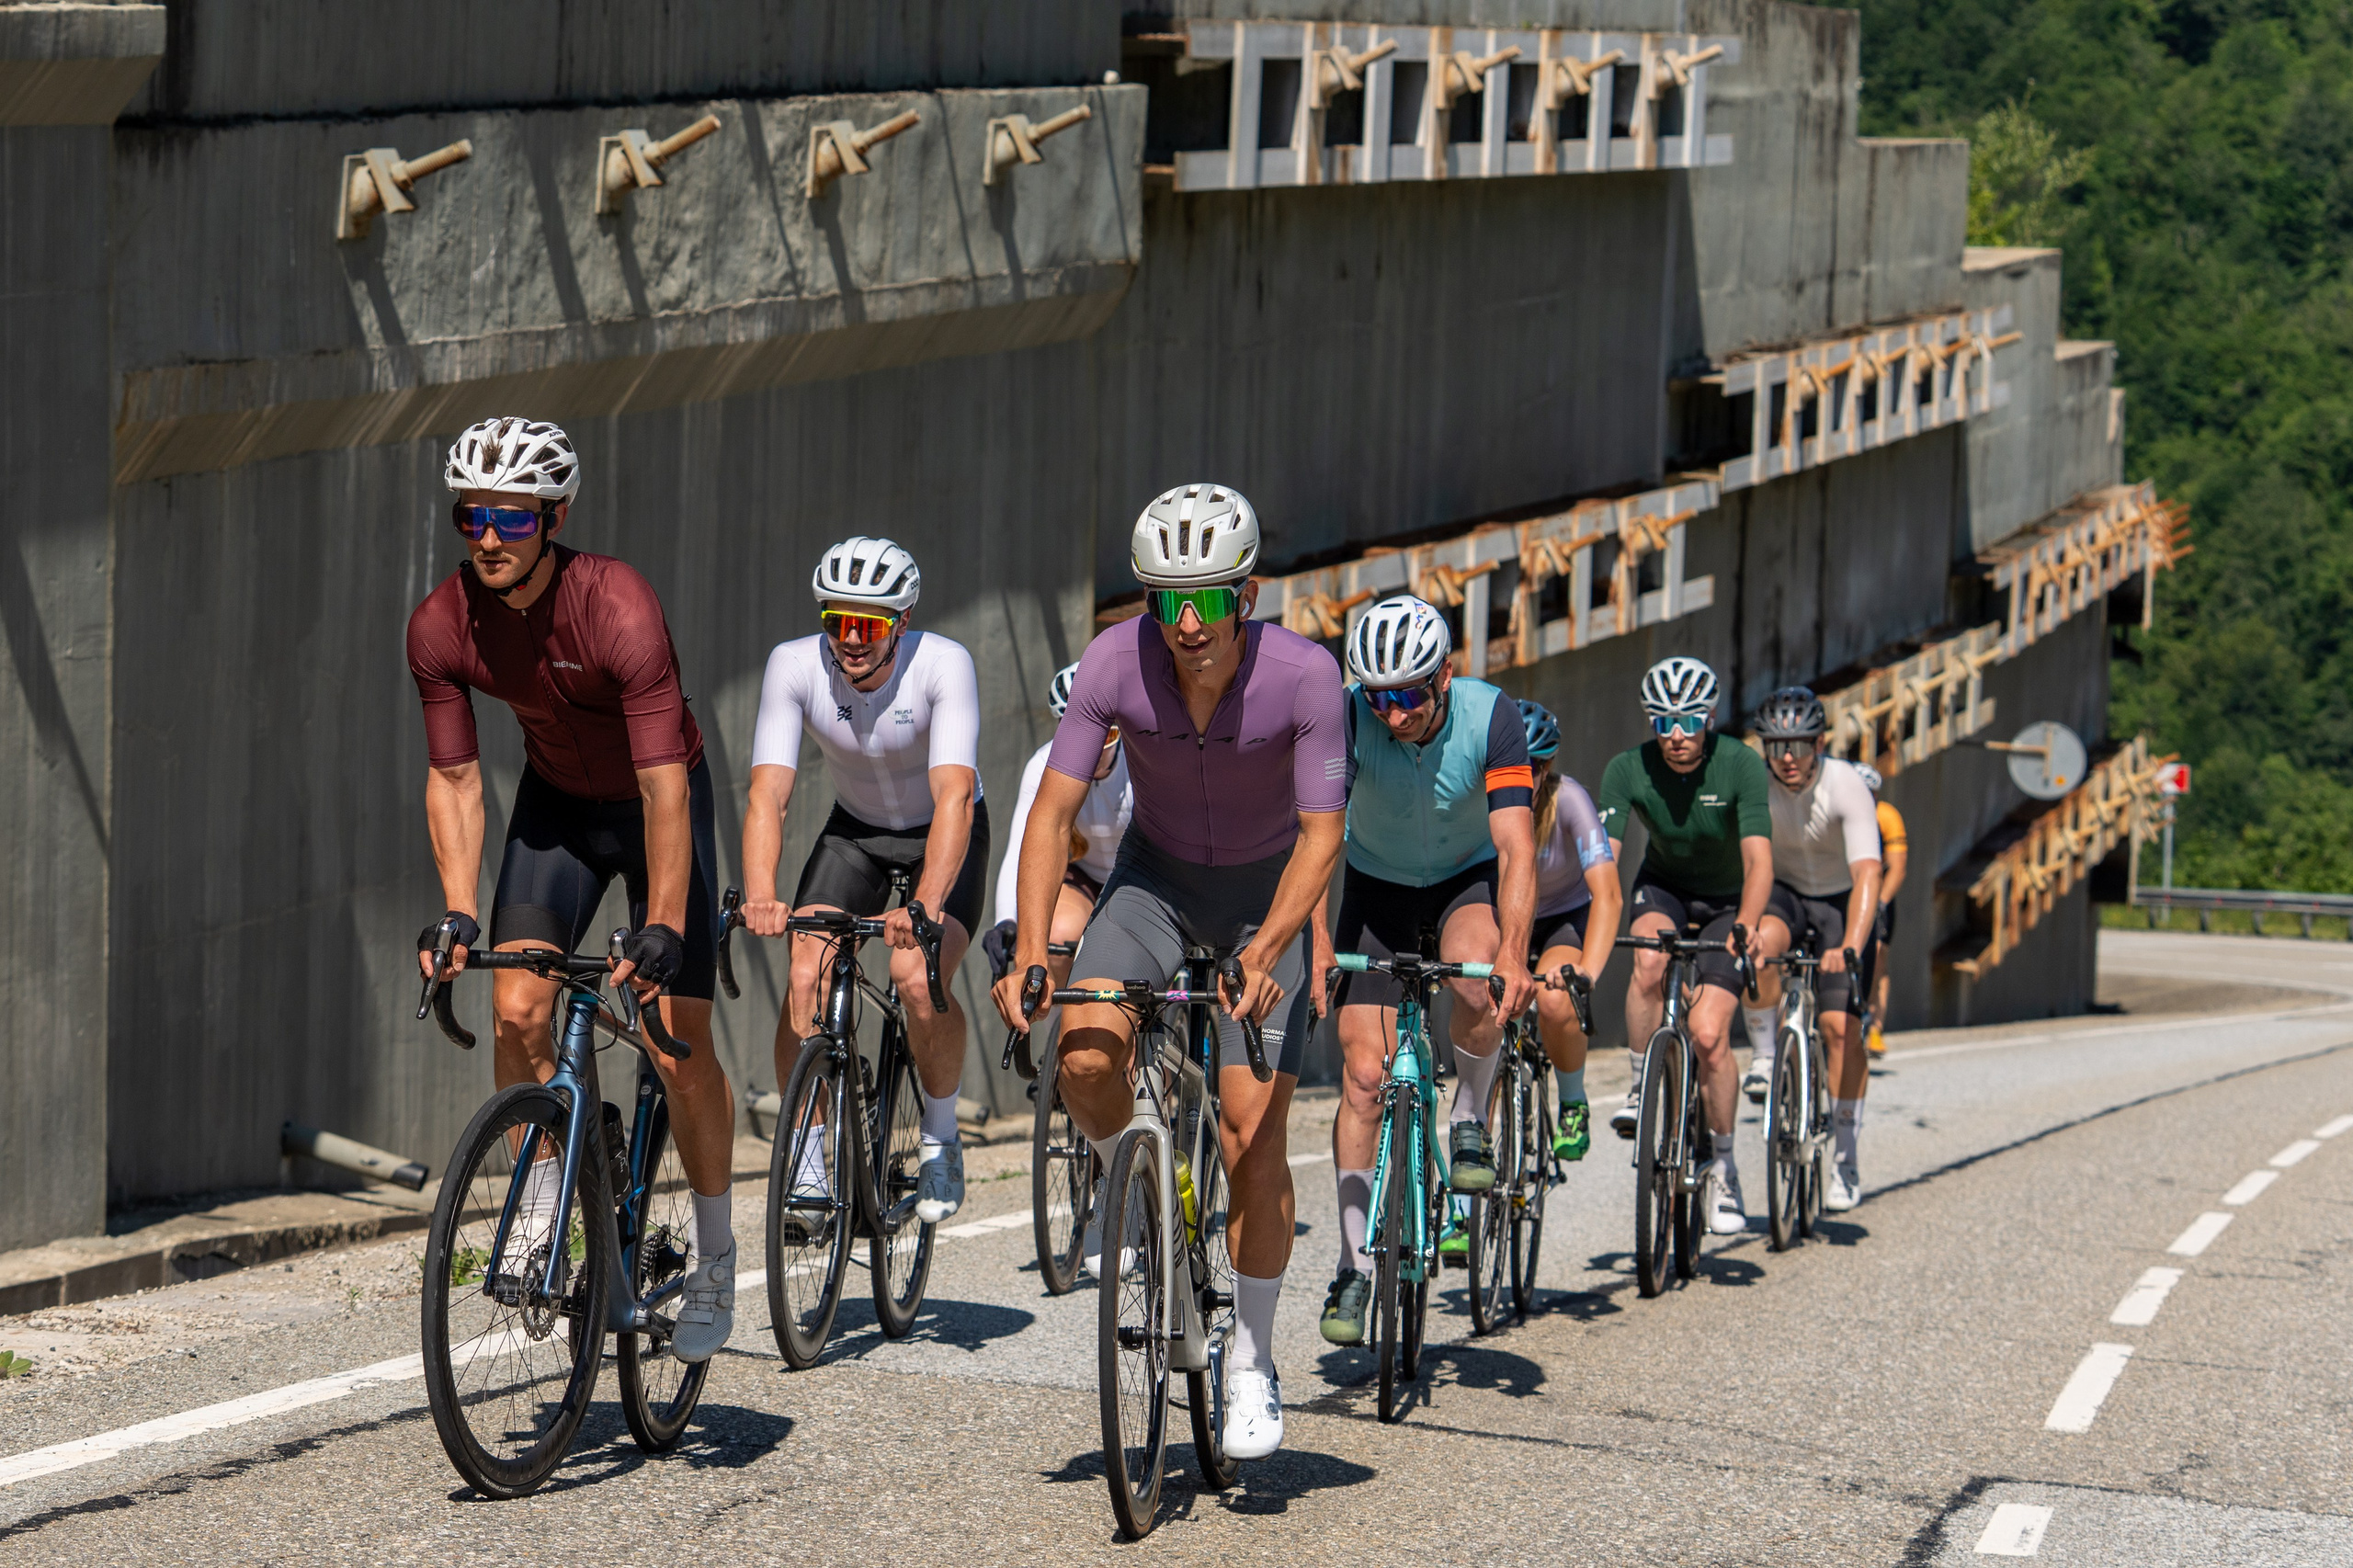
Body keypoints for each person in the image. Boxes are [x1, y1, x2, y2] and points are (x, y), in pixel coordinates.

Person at [991, 483, 1346, 1464]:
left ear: (1246, 595)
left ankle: (1253, 1361)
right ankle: (1139, 1181)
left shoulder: (1308, 676)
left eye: (1210, 599)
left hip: (1265, 897)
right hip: (1153, 882)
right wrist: (1029, 949)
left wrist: (1268, 952)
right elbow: (1052, 813)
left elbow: (1323, 836)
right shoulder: (1113, 661)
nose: (1189, 624)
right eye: (1168, 600)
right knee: (1083, 1057)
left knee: (1249, 1134)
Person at [407, 416, 738, 1363]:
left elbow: (664, 786)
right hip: (556, 808)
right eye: (472, 517)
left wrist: (664, 924)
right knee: (517, 1009)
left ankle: (716, 1254)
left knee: (676, 1042)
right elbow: (455, 778)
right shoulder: (441, 623)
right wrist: (458, 907)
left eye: (512, 520)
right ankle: (544, 1201)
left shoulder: (616, 605)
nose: (488, 538)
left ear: (553, 519)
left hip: (656, 800)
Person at [738, 537, 986, 1226]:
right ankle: (810, 1159)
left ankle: (940, 1134)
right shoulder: (793, 665)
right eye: (837, 621)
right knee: (806, 973)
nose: (850, 638)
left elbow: (954, 798)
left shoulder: (943, 664)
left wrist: (926, 903)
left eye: (868, 624)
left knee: (915, 975)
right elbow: (767, 796)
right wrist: (761, 893)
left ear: (901, 622)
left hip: (943, 831)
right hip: (857, 834)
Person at [1313, 597, 1540, 1340]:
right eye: (1378, 697)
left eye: (1408, 695)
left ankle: (1470, 1111)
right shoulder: (1349, 718)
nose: (1393, 714)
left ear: (1443, 676)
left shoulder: (1491, 715)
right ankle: (1353, 1266)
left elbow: (1516, 846)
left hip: (1463, 878)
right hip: (1375, 888)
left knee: (1475, 977)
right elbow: (1314, 837)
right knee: (1363, 1077)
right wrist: (1315, 940)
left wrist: (1513, 953)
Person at [1597, 656, 1785, 1238]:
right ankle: (1640, 1084)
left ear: (1709, 718)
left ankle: (1724, 1166)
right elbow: (1603, 859)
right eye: (1663, 722)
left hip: (1729, 899)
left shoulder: (1740, 764)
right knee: (1648, 962)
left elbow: (1759, 860)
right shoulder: (1628, 768)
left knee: (1707, 1036)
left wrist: (1747, 923)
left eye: (1688, 721)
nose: (1676, 735)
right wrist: (1590, 921)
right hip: (1665, 888)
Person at [1740, 687, 1881, 1211]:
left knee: (1840, 1029)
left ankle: (1845, 1154)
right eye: (1777, 747)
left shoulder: (1845, 783)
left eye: (1800, 746)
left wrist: (1851, 946)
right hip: (1786, 894)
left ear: (1820, 744)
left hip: (1842, 902)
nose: (1789, 758)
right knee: (1759, 950)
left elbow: (1869, 873)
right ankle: (1765, 1056)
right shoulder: (1756, 784)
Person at [983, 662, 1134, 997]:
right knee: (1056, 941)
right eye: (1079, 733)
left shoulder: (1139, 761)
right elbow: (1023, 849)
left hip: (1139, 878)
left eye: (1107, 735)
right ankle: (1057, 1025)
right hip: (1085, 873)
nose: (1093, 748)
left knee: (1130, 961)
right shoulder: (1042, 765)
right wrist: (1007, 920)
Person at [1518, 699, 1622, 1163]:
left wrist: (1587, 974)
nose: (1524, 781)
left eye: (1534, 768)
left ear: (1549, 767)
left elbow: (1608, 894)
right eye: (1511, 768)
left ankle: (1573, 1101)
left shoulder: (1569, 799)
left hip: (1561, 917)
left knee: (1557, 1000)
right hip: (1505, 916)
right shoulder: (1472, 800)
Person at [1854, 763, 1907, 1056]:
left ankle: (1875, 1026)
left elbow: (1897, 867)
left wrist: (1881, 903)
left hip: (1877, 891)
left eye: (1871, 794)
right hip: (1845, 888)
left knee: (1877, 955)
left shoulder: (1886, 816)